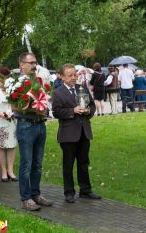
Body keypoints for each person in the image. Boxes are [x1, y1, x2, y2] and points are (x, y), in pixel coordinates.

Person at [52, 63, 101, 204]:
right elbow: (56, 112)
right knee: (68, 164)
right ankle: (69, 192)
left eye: (75, 74)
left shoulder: (82, 88)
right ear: (61, 76)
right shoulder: (58, 92)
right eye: (70, 75)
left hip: (84, 131)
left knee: (84, 162)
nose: (73, 78)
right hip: (68, 134)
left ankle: (85, 190)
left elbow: (91, 105)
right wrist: (72, 111)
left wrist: (88, 112)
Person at [14, 52, 53, 211]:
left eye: (35, 62)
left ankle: (36, 194)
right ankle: (26, 198)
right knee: (26, 164)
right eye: (30, 62)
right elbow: (13, 106)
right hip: (25, 125)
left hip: (40, 124)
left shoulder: (39, 81)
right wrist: (34, 108)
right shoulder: (15, 82)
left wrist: (43, 109)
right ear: (21, 65)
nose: (34, 65)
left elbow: (46, 99)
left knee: (37, 163)